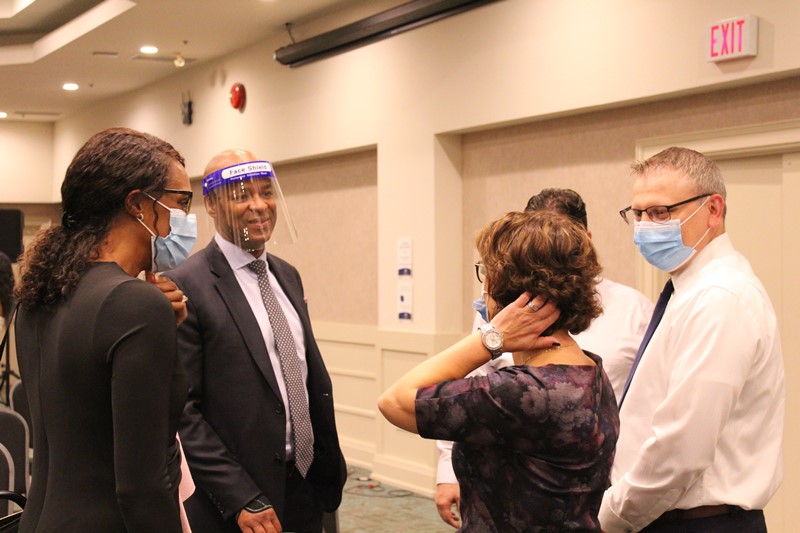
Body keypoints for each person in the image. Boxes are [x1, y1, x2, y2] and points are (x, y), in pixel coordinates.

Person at [379, 210, 620, 532]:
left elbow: (394, 402)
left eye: (486, 272)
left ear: (509, 288)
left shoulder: (522, 392)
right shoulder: (590, 369)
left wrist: (490, 338)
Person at [434, 188, 653, 528]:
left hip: (602, 481)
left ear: (585, 242)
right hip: (506, 482)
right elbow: (466, 388)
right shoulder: (502, 310)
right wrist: (447, 470)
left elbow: (649, 401)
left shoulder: (634, 310)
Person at [13, 127, 195, 532]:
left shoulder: (39, 294)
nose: (186, 218)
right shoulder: (136, 305)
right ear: (138, 204)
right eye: (180, 202)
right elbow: (142, 488)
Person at [599, 147, 784, 532]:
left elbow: (681, 451)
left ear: (713, 210)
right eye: (637, 214)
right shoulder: (689, 290)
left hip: (698, 522)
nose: (644, 227)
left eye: (660, 212)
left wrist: (609, 518)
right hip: (668, 516)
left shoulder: (719, 298)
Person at [168, 149, 347, 533]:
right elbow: (183, 411)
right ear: (211, 205)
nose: (259, 205)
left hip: (307, 482)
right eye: (242, 195)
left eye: (266, 192)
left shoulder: (287, 275)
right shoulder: (185, 286)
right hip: (241, 497)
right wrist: (239, 496)